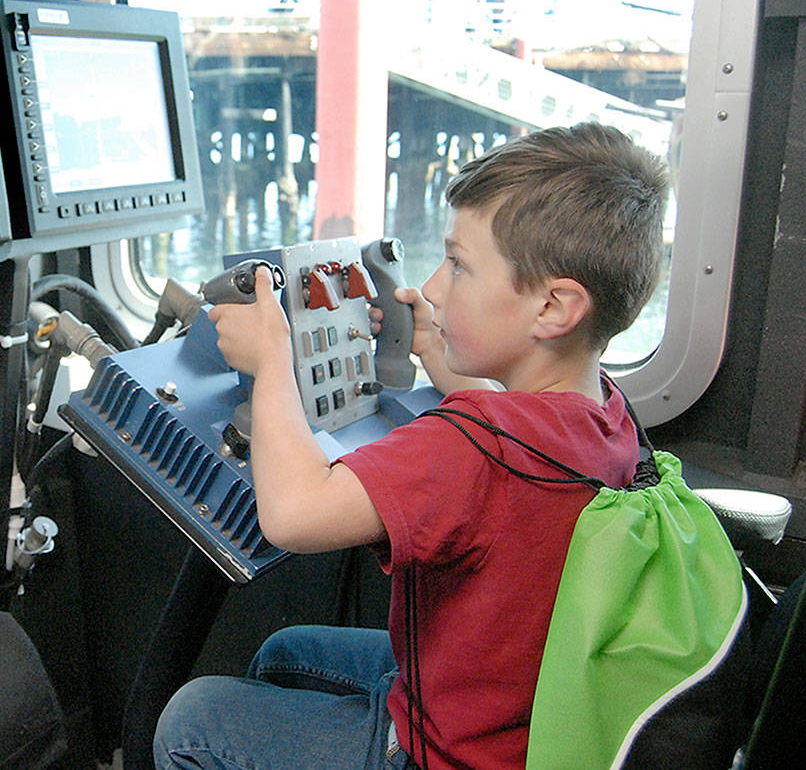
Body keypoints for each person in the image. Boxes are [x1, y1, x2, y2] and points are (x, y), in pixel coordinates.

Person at [152, 123, 669, 770]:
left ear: (555, 308)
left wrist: (273, 360)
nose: (432, 285)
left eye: (459, 264)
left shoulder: (475, 449)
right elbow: (506, 428)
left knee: (192, 719)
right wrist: (431, 348)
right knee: (283, 652)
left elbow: (293, 513)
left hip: (448, 753)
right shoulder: (603, 414)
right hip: (515, 708)